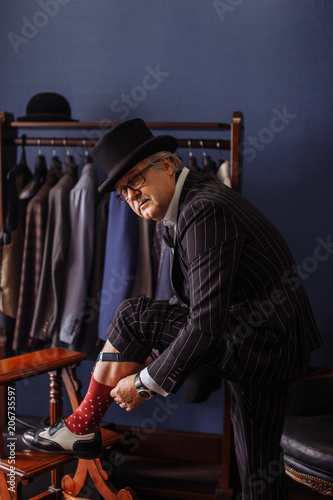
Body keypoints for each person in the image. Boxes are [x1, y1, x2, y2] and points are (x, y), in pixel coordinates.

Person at [23, 118, 322, 498]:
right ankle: (82, 426)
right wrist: (146, 350)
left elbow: (203, 325)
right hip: (254, 335)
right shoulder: (177, 209)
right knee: (258, 470)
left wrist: (146, 384)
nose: (131, 196)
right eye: (121, 192)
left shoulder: (203, 209)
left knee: (258, 470)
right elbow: (190, 304)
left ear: (167, 165)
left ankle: (82, 425)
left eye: (135, 180)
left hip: (265, 346)